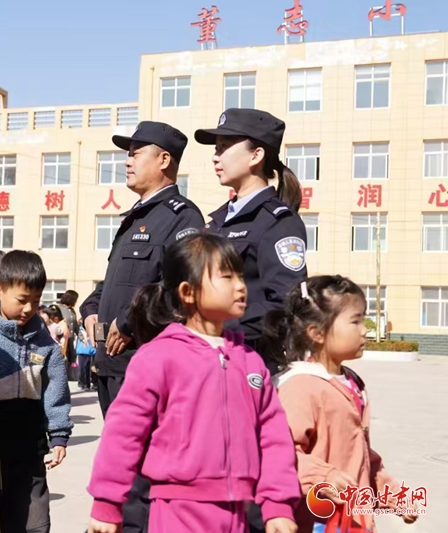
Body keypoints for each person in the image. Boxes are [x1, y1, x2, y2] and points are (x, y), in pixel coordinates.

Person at [87, 234, 299, 533]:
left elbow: (274, 437)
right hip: (178, 510)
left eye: (240, 276)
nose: (241, 286)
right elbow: (123, 433)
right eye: (227, 277)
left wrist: (278, 504)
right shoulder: (159, 357)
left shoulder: (250, 361)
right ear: (188, 292)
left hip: (240, 511)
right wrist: (107, 503)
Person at [80, 121, 205, 533]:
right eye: (127, 154)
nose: (128, 161)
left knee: (144, 477)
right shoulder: (135, 218)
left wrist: (128, 323)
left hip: (142, 367)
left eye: (136, 153)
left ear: (164, 160)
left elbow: (177, 289)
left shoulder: (181, 217)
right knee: (123, 467)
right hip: (110, 367)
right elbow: (114, 283)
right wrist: (91, 309)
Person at [266, 276, 418, 532]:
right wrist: (323, 476)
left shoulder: (352, 384)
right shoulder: (300, 386)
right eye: (355, 321)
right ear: (317, 333)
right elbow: (280, 456)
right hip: (317, 521)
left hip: (355, 522)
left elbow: (362, 458)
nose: (364, 330)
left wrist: (393, 496)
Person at [0, 251, 73, 533]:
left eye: (36, 301)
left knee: (32, 525)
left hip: (29, 452)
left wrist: (59, 435)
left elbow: (55, 391)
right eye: (22, 300)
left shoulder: (45, 343)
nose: (29, 308)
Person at [194, 108, 307, 375]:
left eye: (224, 147)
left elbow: (286, 305)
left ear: (256, 155)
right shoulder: (217, 222)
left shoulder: (279, 222)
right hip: (206, 360)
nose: (215, 156)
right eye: (216, 148)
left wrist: (217, 325)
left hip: (247, 365)